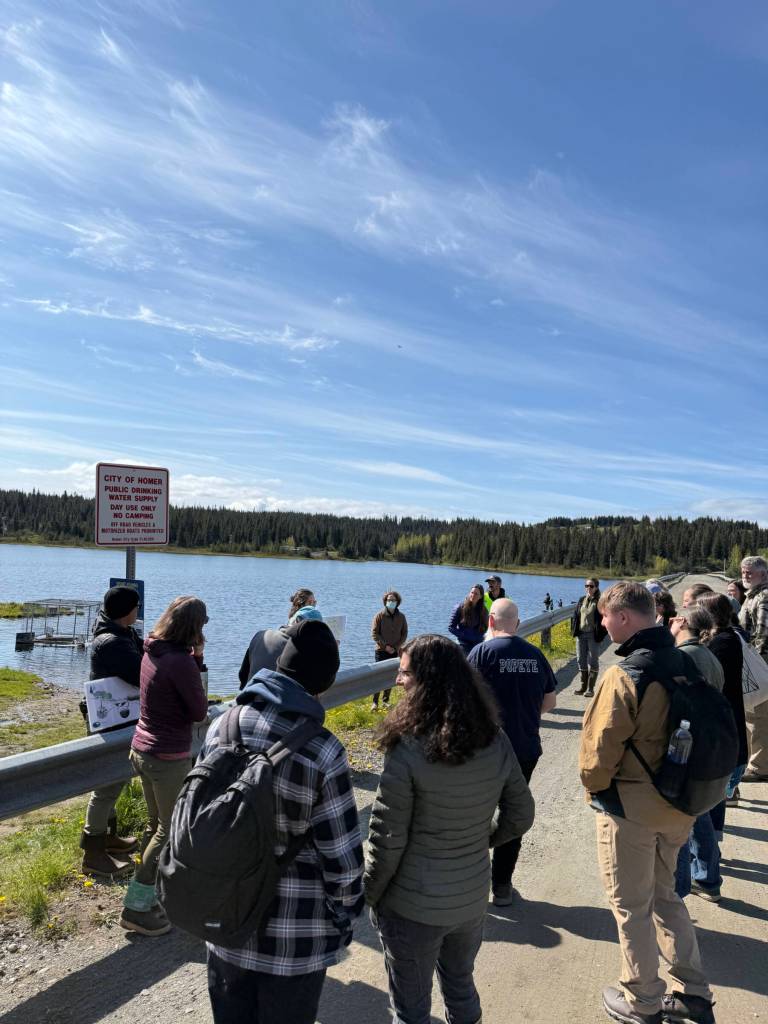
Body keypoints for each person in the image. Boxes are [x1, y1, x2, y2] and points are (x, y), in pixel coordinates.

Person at [365, 634, 535, 1024]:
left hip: (413, 906)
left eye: (404, 672)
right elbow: (522, 814)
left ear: (426, 679)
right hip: (471, 898)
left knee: (410, 1008)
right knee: (460, 985)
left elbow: (387, 838)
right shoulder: (494, 737)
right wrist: (479, 840)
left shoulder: (406, 746)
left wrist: (370, 894)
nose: (397, 680)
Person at [204, 619, 364, 1024]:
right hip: (295, 942)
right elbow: (343, 863)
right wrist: (344, 918)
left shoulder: (224, 725)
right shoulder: (323, 751)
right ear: (324, 684)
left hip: (225, 924)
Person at [579, 581, 715, 1024]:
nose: (601, 623)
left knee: (630, 906)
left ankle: (641, 1000)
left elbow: (597, 756)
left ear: (623, 617)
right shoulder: (688, 662)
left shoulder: (625, 675)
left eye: (605, 616)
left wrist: (595, 792)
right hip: (681, 805)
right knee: (666, 897)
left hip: (631, 812)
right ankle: (693, 991)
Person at [120, 596, 209, 937]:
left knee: (155, 825)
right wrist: (198, 660)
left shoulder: (151, 650)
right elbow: (199, 711)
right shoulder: (181, 662)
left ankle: (150, 893)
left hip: (141, 749)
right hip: (168, 757)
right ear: (194, 628)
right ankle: (135, 907)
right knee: (168, 831)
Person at [468, 598, 556, 904]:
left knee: (476, 814)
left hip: (487, 751)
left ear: (490, 621)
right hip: (526, 749)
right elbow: (550, 701)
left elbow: (465, 701)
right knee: (513, 814)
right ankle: (502, 887)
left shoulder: (481, 653)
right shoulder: (535, 654)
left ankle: (472, 885)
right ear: (517, 624)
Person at [80, 586, 143, 878]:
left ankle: (108, 838)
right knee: (106, 787)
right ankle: (93, 854)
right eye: (136, 607)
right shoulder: (113, 642)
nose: (138, 611)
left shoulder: (119, 633)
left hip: (115, 717)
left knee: (114, 779)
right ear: (127, 611)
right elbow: (140, 674)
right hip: (110, 720)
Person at [669, 606, 724, 904]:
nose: (670, 622)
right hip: (705, 746)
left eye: (675, 618)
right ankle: (709, 878)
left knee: (678, 824)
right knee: (698, 815)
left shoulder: (685, 657)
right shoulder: (709, 655)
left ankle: (676, 892)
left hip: (686, 749)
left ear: (684, 623)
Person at [697, 592, 749, 805]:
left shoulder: (723, 641)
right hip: (727, 712)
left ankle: (727, 793)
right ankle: (727, 793)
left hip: (723, 714)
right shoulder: (726, 637)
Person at [238, 589, 317, 689]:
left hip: (251, 694)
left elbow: (243, 675)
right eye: (310, 603)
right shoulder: (300, 646)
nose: (313, 606)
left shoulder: (261, 636)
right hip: (279, 697)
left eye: (314, 602)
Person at [739, 555, 768, 782]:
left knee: (760, 719)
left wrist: (753, 663)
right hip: (755, 666)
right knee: (752, 717)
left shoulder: (764, 597)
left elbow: (763, 636)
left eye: (750, 572)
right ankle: (754, 762)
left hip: (761, 666)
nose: (745, 575)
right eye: (743, 572)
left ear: (763, 574)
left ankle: (760, 768)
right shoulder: (753, 596)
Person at [370, 590, 408, 711]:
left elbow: (404, 634)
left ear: (398, 602)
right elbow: (375, 634)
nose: (391, 602)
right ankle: (375, 702)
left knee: (390, 676)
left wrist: (396, 647)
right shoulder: (379, 616)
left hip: (395, 651)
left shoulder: (401, 617)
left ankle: (385, 701)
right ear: (385, 601)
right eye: (389, 600)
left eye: (393, 600)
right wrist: (385, 646)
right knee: (378, 676)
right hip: (381, 651)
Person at [571, 578, 607, 697]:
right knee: (580, 659)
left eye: (591, 586)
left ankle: (590, 689)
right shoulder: (582, 599)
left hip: (593, 635)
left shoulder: (600, 601)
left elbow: (605, 617)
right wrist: (574, 630)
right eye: (586, 586)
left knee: (593, 661)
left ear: (596, 587)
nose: (588, 588)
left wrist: (601, 635)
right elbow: (576, 615)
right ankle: (583, 687)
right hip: (581, 634)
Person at [448, 584, 488, 656]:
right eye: (472, 593)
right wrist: (465, 635)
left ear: (481, 596)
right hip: (463, 643)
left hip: (478, 644)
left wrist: (478, 637)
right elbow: (451, 627)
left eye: (476, 594)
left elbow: (486, 628)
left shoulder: (484, 611)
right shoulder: (459, 607)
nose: (473, 595)